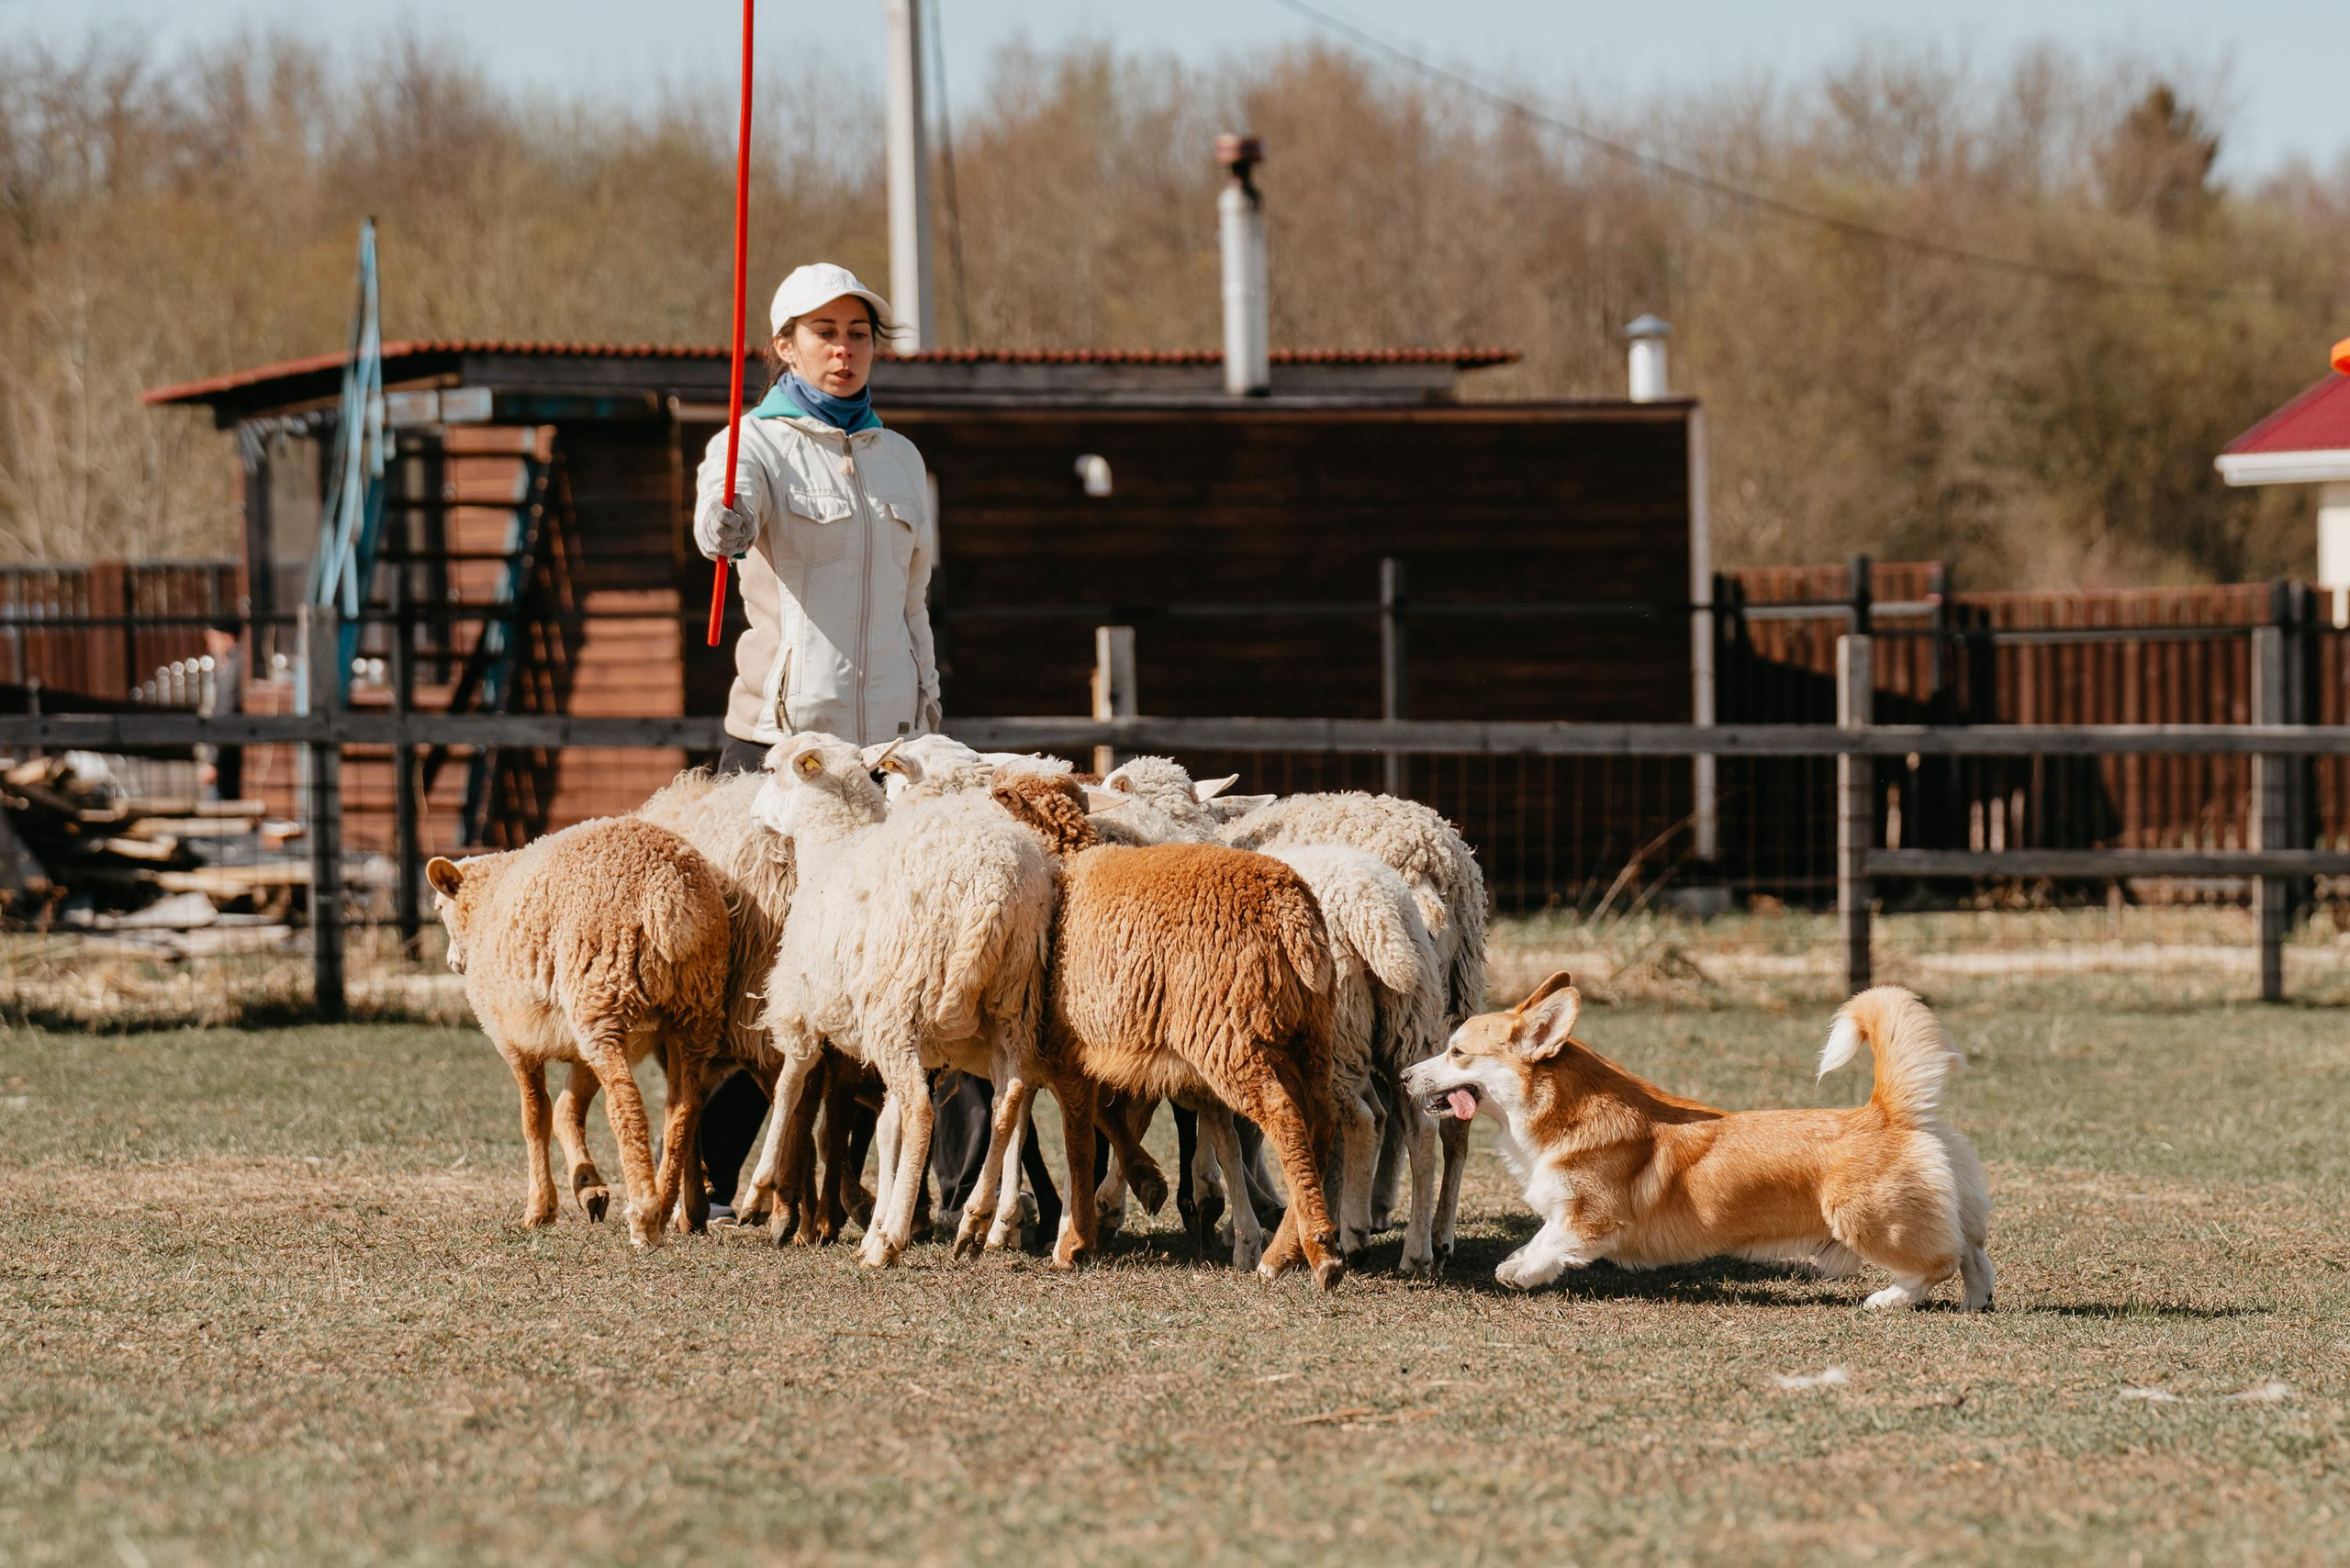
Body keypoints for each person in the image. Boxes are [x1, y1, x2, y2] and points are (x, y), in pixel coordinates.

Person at [688, 263, 1035, 1232]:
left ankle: (977, 1193)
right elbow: (727, 515)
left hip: (897, 750)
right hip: (788, 745)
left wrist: (928, 716)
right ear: (784, 347)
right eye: (823, 332)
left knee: (938, 954)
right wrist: (720, 521)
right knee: (780, 961)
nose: (844, 349)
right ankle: (716, 1175)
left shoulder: (900, 460)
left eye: (859, 332)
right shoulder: (747, 443)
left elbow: (913, 598)